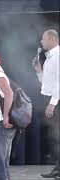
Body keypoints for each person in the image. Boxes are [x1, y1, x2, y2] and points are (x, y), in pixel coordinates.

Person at [33, 29, 59, 178]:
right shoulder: (50, 57)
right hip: (51, 99)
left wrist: (52, 103)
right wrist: (38, 71)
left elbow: (59, 82)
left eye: (43, 39)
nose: (41, 42)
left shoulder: (57, 56)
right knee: (55, 136)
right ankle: (58, 168)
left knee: (58, 135)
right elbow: (47, 83)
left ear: (52, 39)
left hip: (56, 101)